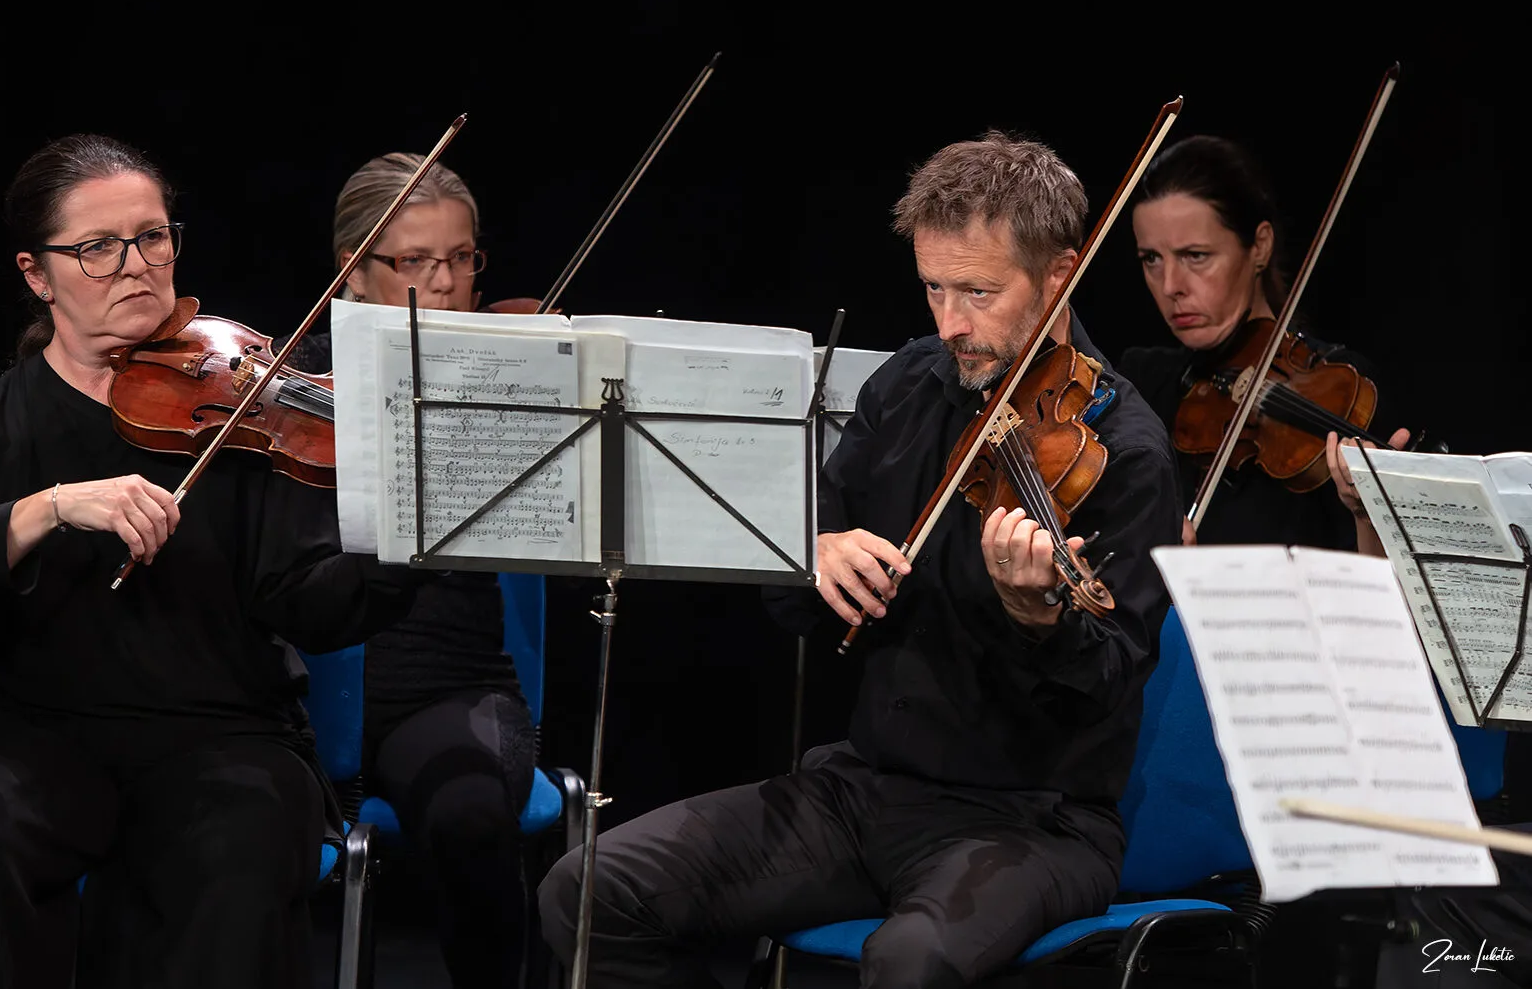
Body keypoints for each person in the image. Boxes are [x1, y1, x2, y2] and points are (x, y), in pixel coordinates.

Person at [537, 132, 1183, 987]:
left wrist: (1041, 619)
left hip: (1033, 821)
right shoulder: (908, 384)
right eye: (934, 288)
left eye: (979, 292)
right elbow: (799, 596)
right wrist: (813, 552)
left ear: (1060, 274)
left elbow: (1112, 677)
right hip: (866, 788)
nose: (950, 324)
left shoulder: (1125, 449)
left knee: (911, 959)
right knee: (589, 888)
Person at [0, 133, 423, 989]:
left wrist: (406, 542)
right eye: (98, 247)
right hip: (32, 733)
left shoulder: (245, 404)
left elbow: (314, 608)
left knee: (244, 844)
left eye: (153, 237)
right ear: (36, 273)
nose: (136, 265)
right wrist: (53, 505)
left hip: (222, 734)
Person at [272, 152, 539, 989]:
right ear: (354, 270)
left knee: (470, 816)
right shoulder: (291, 378)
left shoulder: (510, 372)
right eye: (416, 261)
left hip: (445, 688)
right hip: (286, 698)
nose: (448, 283)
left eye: (461, 257)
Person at [1119, 134, 1412, 552]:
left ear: (1259, 246)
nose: (1170, 286)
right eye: (1151, 258)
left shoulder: (1341, 384)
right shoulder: (1143, 382)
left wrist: (1368, 515)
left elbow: (1384, 581)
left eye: (1195, 256)